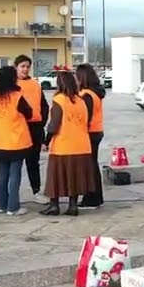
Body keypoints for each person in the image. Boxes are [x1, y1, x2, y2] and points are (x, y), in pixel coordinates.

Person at [41, 71, 96, 216]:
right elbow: (87, 121)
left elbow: (54, 124)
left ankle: (54, 205)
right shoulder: (81, 101)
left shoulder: (59, 99)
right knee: (75, 177)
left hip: (63, 145)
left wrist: (46, 141)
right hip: (82, 145)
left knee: (56, 176)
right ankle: (73, 206)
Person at [0, 65, 35, 215]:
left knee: (3, 173)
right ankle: (13, 206)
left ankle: (2, 205)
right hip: (16, 141)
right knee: (15, 174)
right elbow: (29, 113)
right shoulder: (16, 96)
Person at [14, 55, 50, 204]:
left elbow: (44, 105)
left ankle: (36, 190)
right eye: (22, 66)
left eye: (28, 66)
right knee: (15, 162)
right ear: (16, 67)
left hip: (35, 127)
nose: (25, 69)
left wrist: (41, 123)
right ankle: (12, 195)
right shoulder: (12, 85)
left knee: (33, 162)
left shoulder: (35, 84)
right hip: (17, 127)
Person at [76, 64, 107, 210]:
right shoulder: (96, 92)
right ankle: (95, 197)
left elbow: (85, 117)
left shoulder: (87, 94)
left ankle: (92, 198)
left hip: (89, 132)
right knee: (92, 165)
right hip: (97, 131)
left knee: (90, 166)